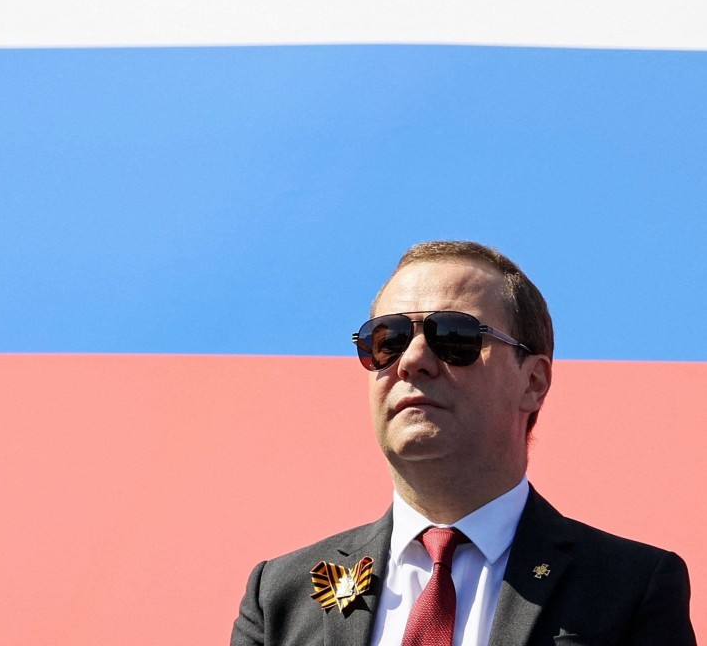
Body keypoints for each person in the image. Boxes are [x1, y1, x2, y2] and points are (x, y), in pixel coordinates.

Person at [230, 240, 696, 645]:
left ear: (533, 381)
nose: (411, 362)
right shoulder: (280, 594)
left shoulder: (631, 587)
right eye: (387, 339)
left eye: (453, 336)